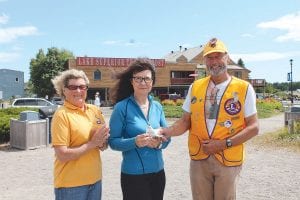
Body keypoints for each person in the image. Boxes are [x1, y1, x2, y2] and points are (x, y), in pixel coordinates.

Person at [160, 38, 259, 200]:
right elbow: (185, 121)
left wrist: (223, 143)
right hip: (200, 157)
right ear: (204, 60)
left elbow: (254, 127)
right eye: (210, 57)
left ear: (226, 57)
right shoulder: (196, 86)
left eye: (218, 56)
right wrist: (166, 131)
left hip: (227, 158)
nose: (214, 62)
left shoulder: (243, 88)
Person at [108, 58, 171, 200]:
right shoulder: (121, 107)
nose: (143, 83)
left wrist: (160, 143)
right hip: (133, 176)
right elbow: (113, 142)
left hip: (158, 174)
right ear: (131, 81)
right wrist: (134, 142)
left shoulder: (158, 107)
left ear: (152, 82)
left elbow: (168, 137)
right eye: (138, 79)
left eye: (147, 79)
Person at [51, 69, 110, 200]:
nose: (78, 91)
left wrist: (103, 142)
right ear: (64, 90)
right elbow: (62, 155)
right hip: (71, 186)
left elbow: (103, 146)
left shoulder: (94, 110)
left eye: (82, 87)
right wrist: (92, 143)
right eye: (73, 87)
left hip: (95, 181)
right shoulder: (61, 115)